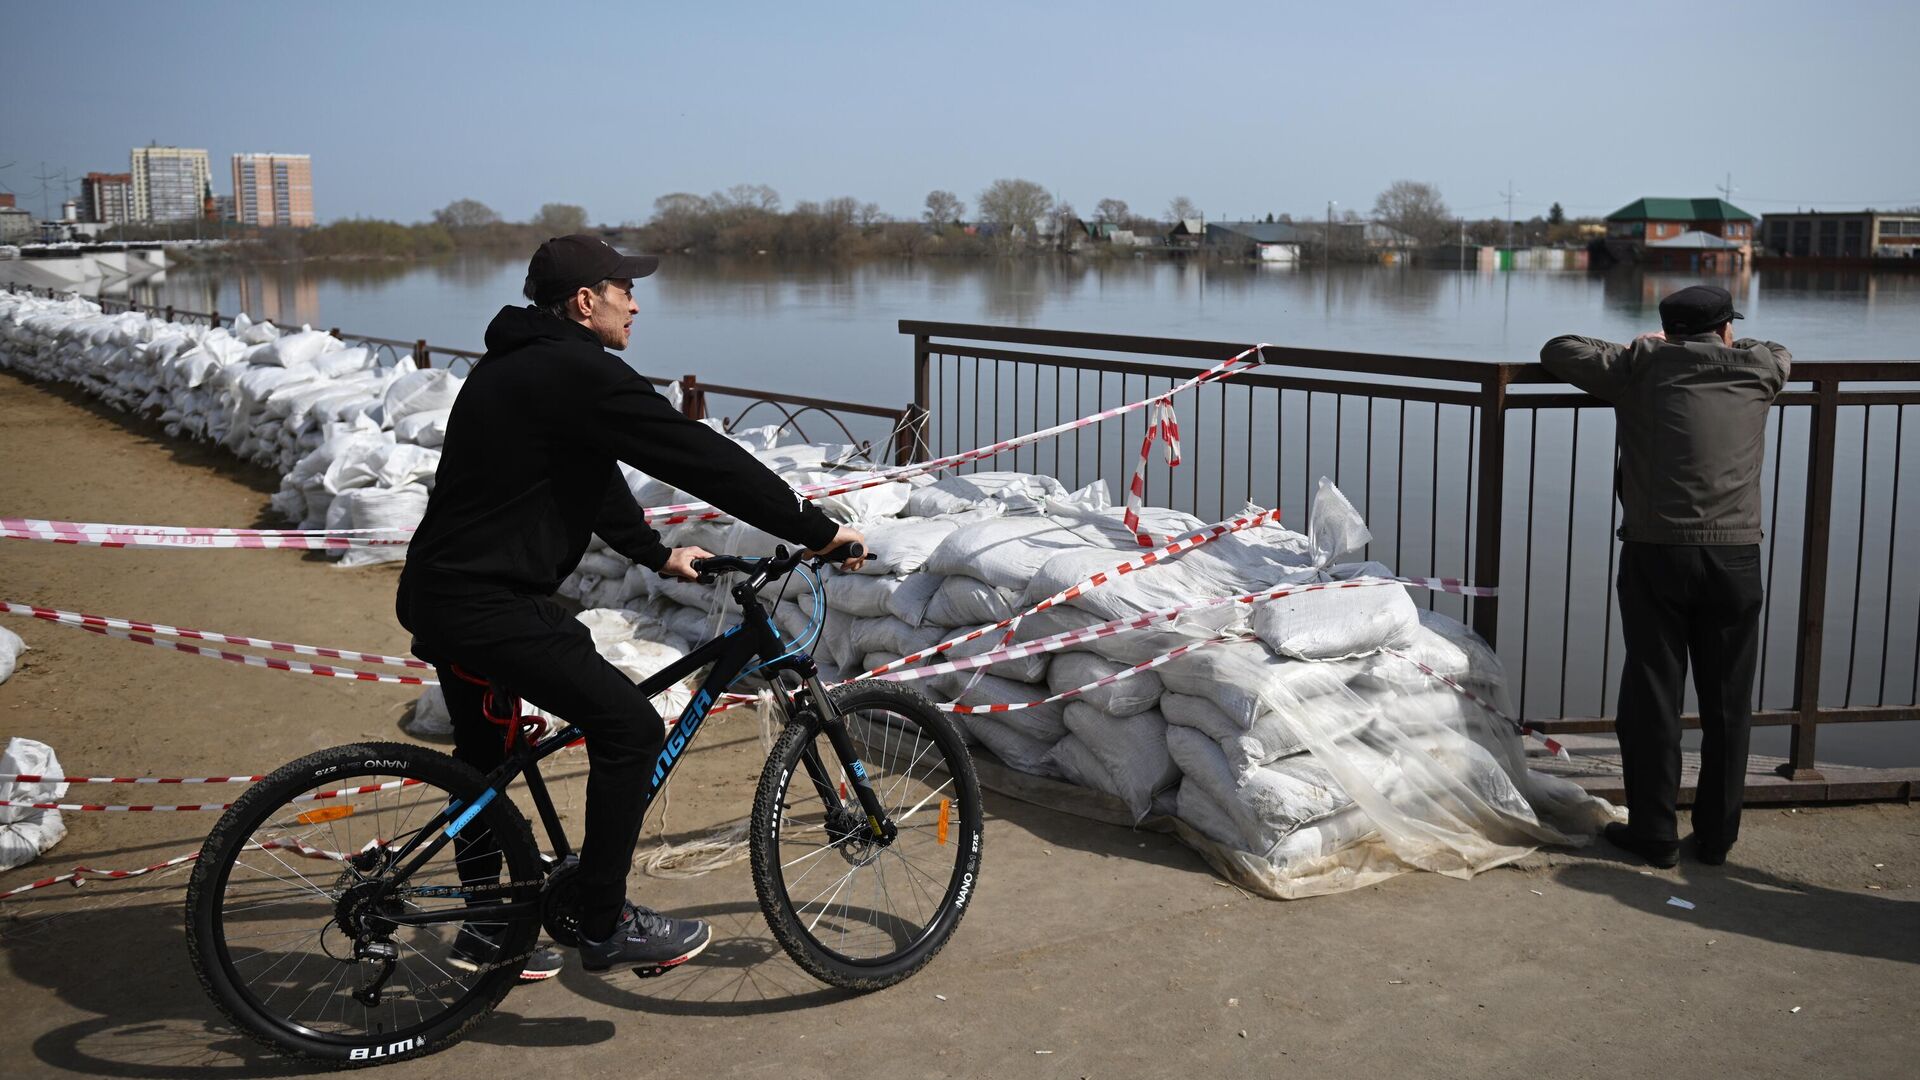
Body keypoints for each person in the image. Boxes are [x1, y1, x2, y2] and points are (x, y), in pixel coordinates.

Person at [396, 234, 865, 978]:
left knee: (485, 759)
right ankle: (606, 923)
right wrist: (816, 530)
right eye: (625, 290)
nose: (637, 303)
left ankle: (487, 929)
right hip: (489, 605)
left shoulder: (518, 363)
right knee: (631, 728)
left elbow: (585, 471)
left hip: (445, 593)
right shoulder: (577, 370)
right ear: (586, 303)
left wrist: (654, 553)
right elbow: (698, 456)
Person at [1540, 284, 1789, 869]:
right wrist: (1725, 343)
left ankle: (1654, 830)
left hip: (1657, 551)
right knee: (1728, 698)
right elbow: (1778, 350)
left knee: (1653, 691)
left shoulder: (1641, 365)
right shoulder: (1759, 366)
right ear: (1726, 329)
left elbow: (1559, 349)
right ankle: (1717, 837)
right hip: (1735, 555)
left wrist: (1644, 346)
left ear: (1667, 329)